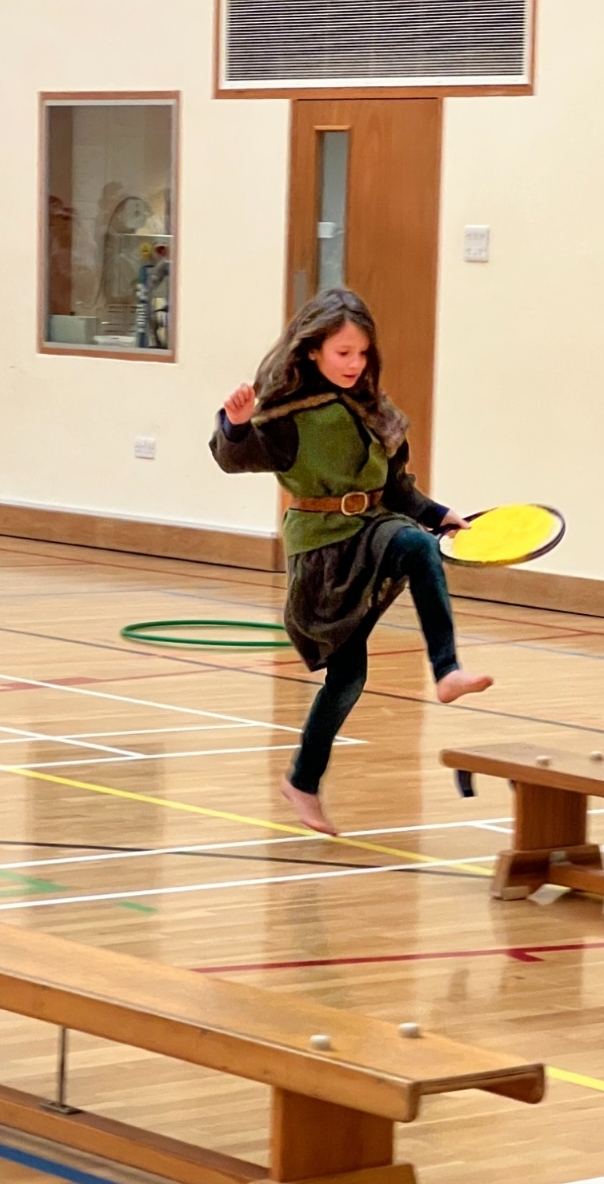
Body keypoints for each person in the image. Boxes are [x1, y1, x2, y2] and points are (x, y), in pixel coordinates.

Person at [211, 287, 492, 835]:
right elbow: (233, 458)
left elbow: (397, 489)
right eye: (343, 352)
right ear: (313, 350)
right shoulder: (289, 416)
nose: (354, 363)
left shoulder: (373, 411)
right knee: (347, 678)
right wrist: (236, 425)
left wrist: (440, 514)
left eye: (362, 353)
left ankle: (447, 670)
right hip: (320, 552)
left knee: (417, 543)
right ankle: (303, 781)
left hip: (371, 530)